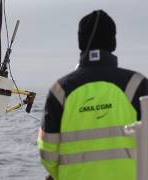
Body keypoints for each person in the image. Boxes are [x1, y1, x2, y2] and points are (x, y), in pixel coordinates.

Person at [37, 10, 148, 180]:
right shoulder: (138, 84)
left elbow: (48, 154)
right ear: (113, 42)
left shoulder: (59, 90)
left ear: (80, 42)